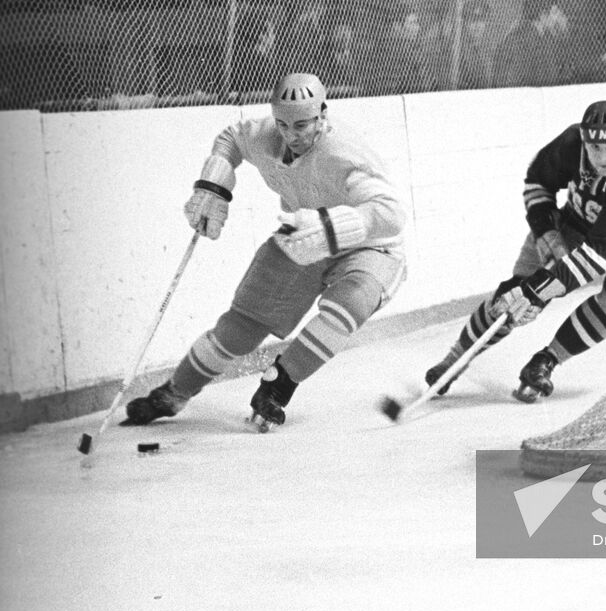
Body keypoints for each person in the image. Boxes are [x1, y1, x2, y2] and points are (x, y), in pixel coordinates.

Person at [124, 73, 407, 429]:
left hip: (370, 246)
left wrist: (331, 226)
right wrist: (214, 186)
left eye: (303, 124)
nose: (292, 135)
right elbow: (231, 139)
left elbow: (391, 214)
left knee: (349, 304)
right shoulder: (265, 136)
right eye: (284, 124)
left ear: (323, 113)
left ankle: (278, 385)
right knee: (240, 328)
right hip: (304, 235)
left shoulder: (344, 154)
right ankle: (172, 394)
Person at [423, 100, 606, 402]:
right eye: (595, 148)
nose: (603, 158)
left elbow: (596, 257)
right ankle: (453, 361)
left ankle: (547, 360)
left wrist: (538, 291)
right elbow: (537, 184)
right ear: (584, 141)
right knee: (512, 296)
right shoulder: (571, 143)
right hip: (577, 223)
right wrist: (546, 232)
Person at [492, 0, 571, 88]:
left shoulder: (541, 39)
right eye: (554, 12)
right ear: (542, 15)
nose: (559, 16)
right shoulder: (523, 40)